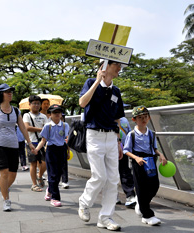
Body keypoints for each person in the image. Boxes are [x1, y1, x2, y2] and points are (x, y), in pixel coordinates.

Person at [78, 60, 125, 231]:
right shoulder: (91, 82)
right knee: (99, 176)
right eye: (117, 65)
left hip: (112, 137)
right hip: (94, 135)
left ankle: (105, 217)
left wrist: (119, 141)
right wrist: (98, 81)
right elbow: (82, 103)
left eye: (120, 66)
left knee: (113, 179)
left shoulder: (116, 91)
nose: (120, 68)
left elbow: (117, 117)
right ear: (106, 66)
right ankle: (84, 203)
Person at [0, 83, 35, 211]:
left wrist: (29, 143)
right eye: (7, 91)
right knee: (4, 173)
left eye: (11, 91)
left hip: (13, 145)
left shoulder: (16, 110)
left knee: (13, 175)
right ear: (0, 95)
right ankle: (6, 199)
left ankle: (3, 187)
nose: (10, 93)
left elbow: (22, 128)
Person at [123, 106, 167, 226]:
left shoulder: (151, 133)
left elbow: (154, 148)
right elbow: (125, 150)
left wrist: (161, 155)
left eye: (145, 117)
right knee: (141, 187)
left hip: (151, 160)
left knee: (154, 185)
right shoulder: (132, 134)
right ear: (134, 120)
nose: (143, 120)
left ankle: (141, 203)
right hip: (139, 162)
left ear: (149, 118)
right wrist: (136, 158)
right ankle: (147, 215)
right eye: (140, 117)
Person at [34, 104, 69, 207]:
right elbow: (43, 140)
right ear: (50, 115)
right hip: (51, 150)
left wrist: (67, 151)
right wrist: (36, 149)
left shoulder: (65, 125)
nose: (57, 114)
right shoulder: (47, 126)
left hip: (61, 149)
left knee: (59, 174)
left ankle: (50, 189)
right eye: (54, 112)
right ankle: (55, 197)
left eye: (59, 112)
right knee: (52, 174)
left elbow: (66, 140)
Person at [23, 95, 48, 192]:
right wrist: (42, 129)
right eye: (34, 103)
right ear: (29, 104)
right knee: (33, 163)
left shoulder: (44, 116)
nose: (36, 105)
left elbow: (47, 129)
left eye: (38, 103)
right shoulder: (27, 115)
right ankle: (34, 184)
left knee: (45, 162)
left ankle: (39, 175)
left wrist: (42, 130)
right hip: (31, 142)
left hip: (42, 142)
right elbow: (27, 127)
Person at [117, 116, 136, 207]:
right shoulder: (106, 116)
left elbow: (129, 133)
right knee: (110, 174)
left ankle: (130, 195)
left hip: (123, 148)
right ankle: (113, 196)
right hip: (109, 148)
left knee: (125, 171)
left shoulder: (124, 120)